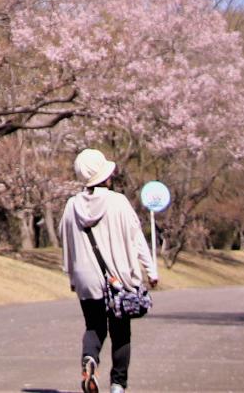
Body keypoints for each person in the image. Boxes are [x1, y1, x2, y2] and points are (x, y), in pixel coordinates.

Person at [60, 149, 157, 393]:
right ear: (106, 176)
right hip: (119, 279)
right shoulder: (118, 202)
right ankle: (117, 385)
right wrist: (151, 270)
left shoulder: (72, 206)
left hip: (86, 279)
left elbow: (66, 241)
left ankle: (89, 358)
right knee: (121, 332)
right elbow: (136, 239)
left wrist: (72, 275)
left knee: (94, 326)